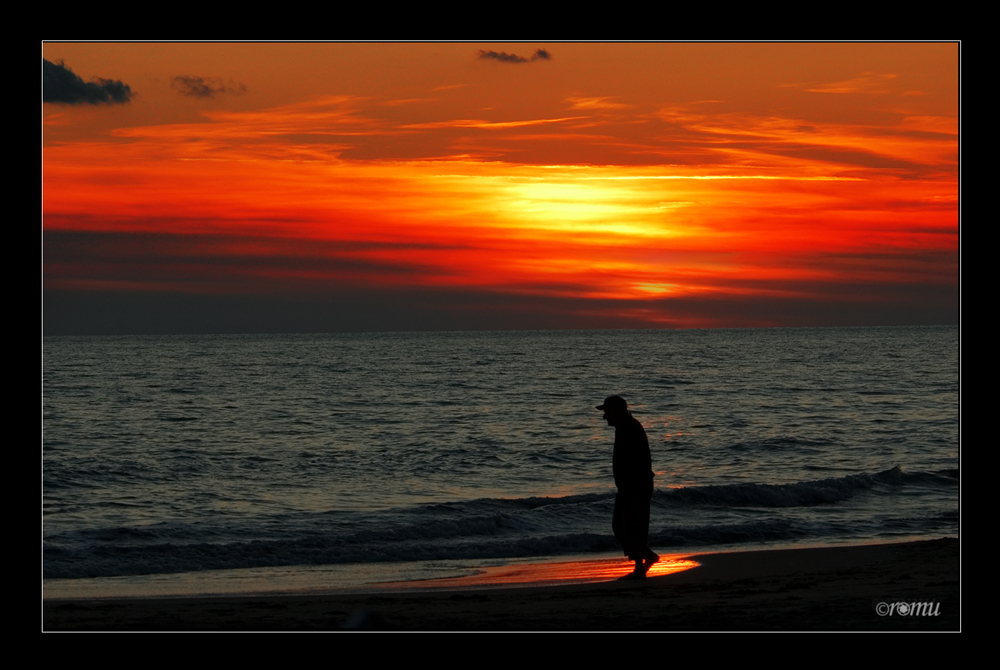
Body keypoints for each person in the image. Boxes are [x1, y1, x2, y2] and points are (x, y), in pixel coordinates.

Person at [597, 394, 658, 579]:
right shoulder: (624, 428)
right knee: (623, 525)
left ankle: (640, 566)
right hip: (630, 486)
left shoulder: (630, 428)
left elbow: (638, 462)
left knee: (632, 525)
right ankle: (646, 557)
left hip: (635, 486)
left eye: (607, 412)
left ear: (617, 411)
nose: (604, 417)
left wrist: (631, 487)